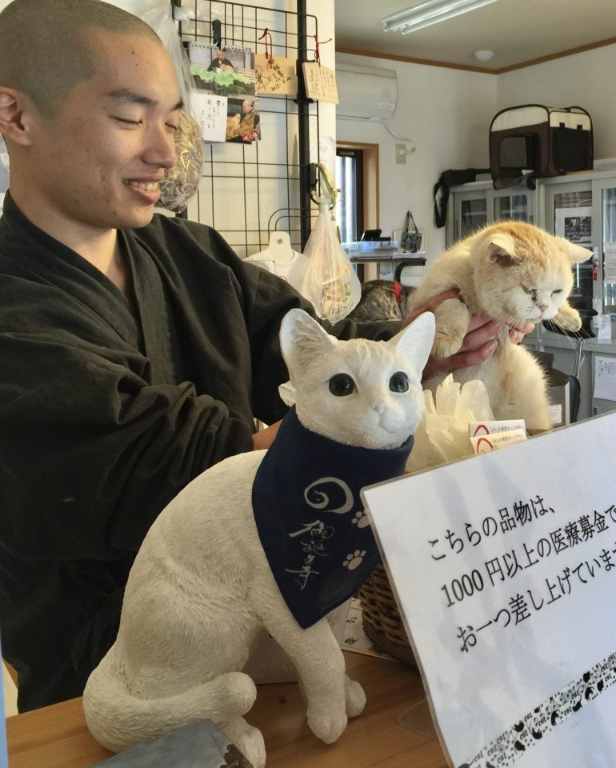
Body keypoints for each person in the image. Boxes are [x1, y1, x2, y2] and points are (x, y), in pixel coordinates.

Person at [0, 0, 529, 712]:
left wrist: (416, 357)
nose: (165, 153)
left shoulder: (190, 254)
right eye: (129, 118)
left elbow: (312, 347)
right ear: (16, 116)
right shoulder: (14, 309)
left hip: (268, 631)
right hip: (113, 668)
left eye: (171, 121)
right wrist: (346, 425)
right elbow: (147, 456)